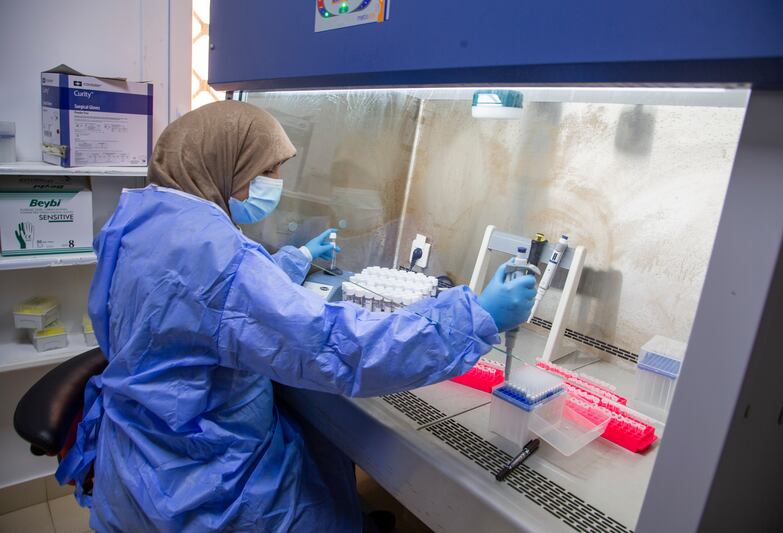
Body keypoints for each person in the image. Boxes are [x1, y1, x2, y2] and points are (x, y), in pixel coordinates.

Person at [56, 101, 536, 532]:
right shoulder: (217, 256)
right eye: (267, 170)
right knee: (318, 488)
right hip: (200, 482)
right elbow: (337, 347)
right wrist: (475, 316)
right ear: (226, 162)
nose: (275, 184)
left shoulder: (141, 217)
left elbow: (197, 305)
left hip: (137, 454)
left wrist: (293, 260)